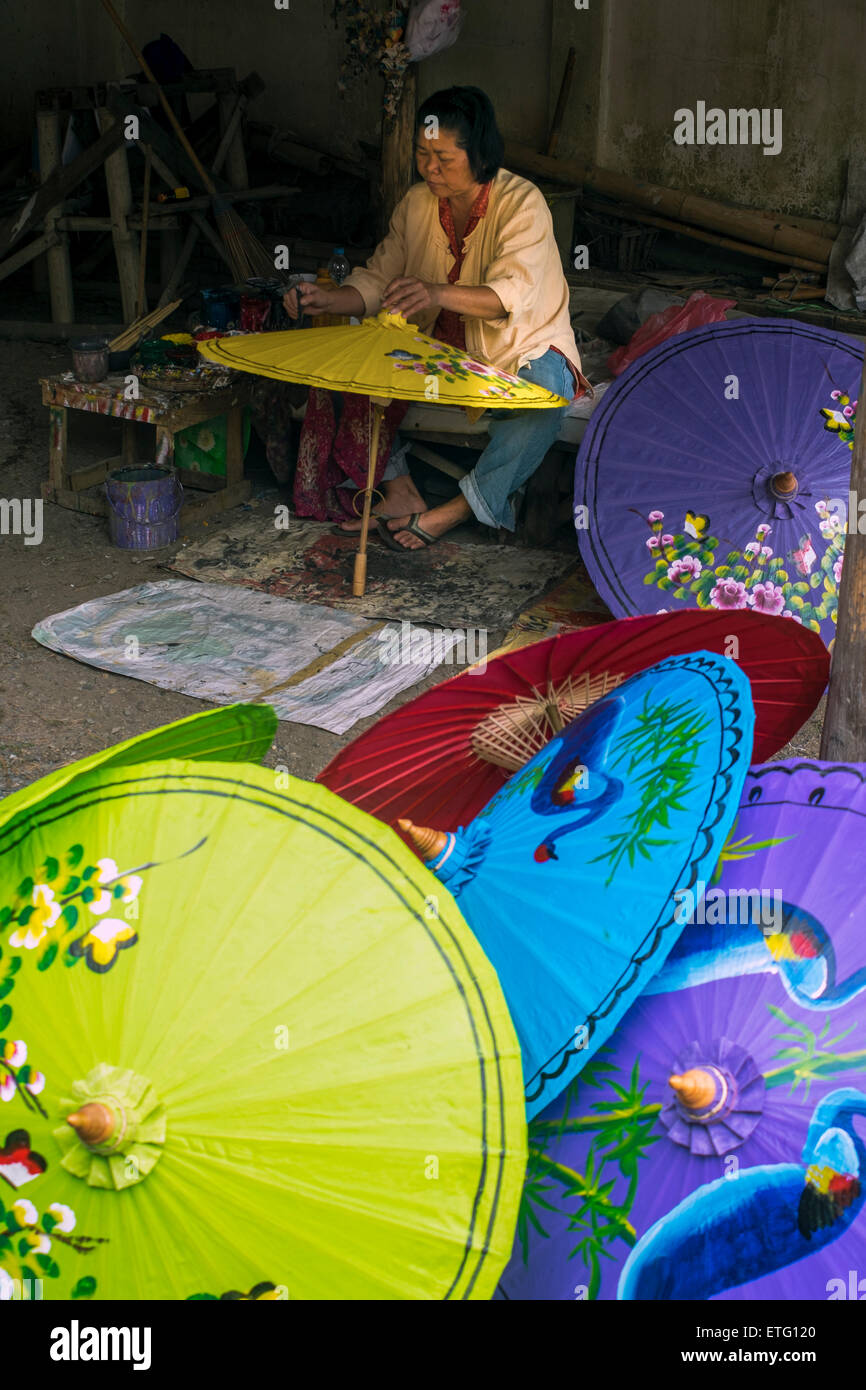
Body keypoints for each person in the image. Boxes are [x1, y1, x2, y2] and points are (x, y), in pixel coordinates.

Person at [286, 85, 584, 550]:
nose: (430, 168)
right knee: (348, 367)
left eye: (444, 156)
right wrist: (329, 300)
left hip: (517, 346)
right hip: (437, 349)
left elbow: (508, 296)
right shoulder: (417, 203)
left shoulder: (522, 203)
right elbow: (378, 278)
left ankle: (456, 510)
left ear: (479, 153)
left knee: (545, 402)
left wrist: (434, 291)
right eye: (422, 154)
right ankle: (400, 491)